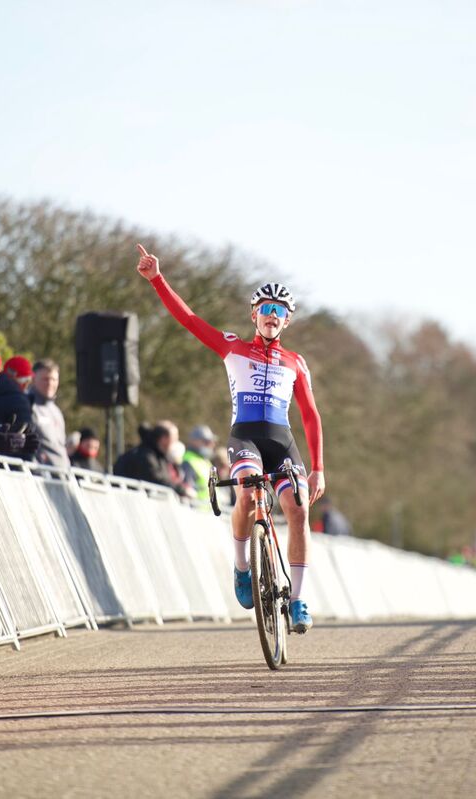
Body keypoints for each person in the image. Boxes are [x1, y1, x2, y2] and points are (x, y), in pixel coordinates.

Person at [136, 243, 325, 634]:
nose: (272, 316)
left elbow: (310, 415)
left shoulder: (295, 363)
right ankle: (242, 567)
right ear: (255, 314)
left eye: (280, 311)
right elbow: (189, 320)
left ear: (287, 321)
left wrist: (319, 468)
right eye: (266, 309)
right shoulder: (232, 346)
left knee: (298, 509)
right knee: (248, 494)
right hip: (246, 438)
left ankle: (298, 600)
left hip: (282, 440)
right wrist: (158, 280)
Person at [114, 421, 194, 496]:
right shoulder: (145, 456)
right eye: (174, 438)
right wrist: (182, 490)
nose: (176, 442)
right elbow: (156, 480)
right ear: (164, 439)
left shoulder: (158, 455)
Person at [29, 358, 67, 466]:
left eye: (54, 379)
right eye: (45, 379)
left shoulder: (57, 412)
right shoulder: (27, 407)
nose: (50, 383)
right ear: (33, 379)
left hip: (62, 477)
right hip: (39, 477)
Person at [181, 425, 218, 504]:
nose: (211, 445)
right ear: (194, 441)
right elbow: (188, 488)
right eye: (206, 442)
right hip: (196, 510)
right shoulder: (188, 460)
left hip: (208, 511)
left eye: (211, 442)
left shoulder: (206, 461)